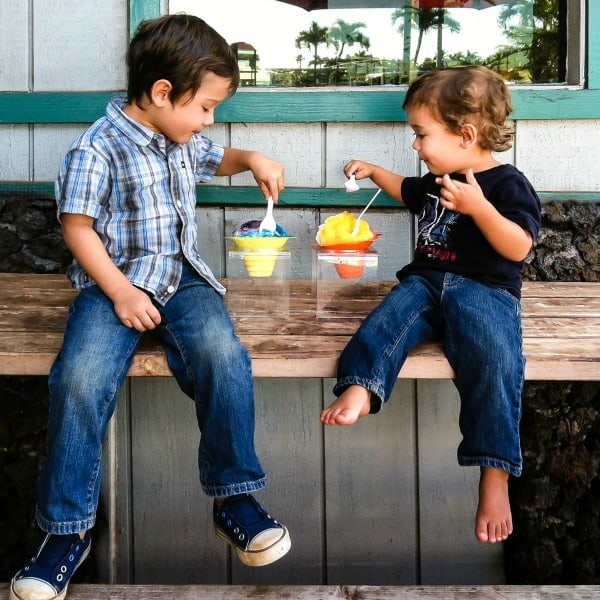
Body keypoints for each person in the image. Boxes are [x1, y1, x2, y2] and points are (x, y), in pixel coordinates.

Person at [10, 14, 291, 600]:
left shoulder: (179, 134)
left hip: (184, 280)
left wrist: (255, 159)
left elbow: (221, 155)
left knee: (223, 356)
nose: (210, 120)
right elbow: (77, 228)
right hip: (112, 285)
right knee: (80, 380)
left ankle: (234, 496)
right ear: (163, 93)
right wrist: (118, 290)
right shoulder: (97, 147)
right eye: (207, 106)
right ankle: (65, 532)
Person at [320, 66, 541, 545]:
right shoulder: (435, 178)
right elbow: (407, 192)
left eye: (421, 135)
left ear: (466, 134)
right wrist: (374, 171)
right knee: (387, 319)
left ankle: (495, 474)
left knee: (495, 361)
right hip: (425, 284)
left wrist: (479, 208)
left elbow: (519, 246)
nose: (416, 146)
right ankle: (362, 385)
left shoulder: (506, 184)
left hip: (485, 291)